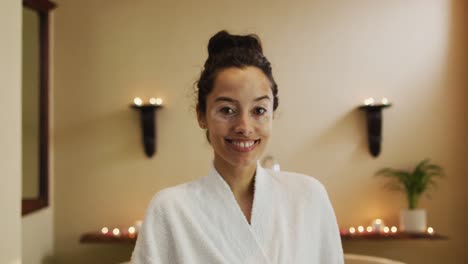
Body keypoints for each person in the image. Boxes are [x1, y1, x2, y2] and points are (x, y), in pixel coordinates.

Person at [131, 30, 344, 264]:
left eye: (259, 110)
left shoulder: (309, 197)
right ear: (201, 115)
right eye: (227, 110)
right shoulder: (170, 210)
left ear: (272, 114)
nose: (244, 127)